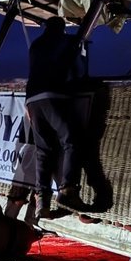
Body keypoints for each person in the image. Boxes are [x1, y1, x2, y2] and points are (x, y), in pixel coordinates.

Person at [25, 16, 91, 219]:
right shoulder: (69, 42)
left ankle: (42, 201)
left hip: (32, 100)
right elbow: (79, 70)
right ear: (62, 28)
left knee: (43, 151)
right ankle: (68, 190)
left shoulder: (36, 44)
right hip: (55, 95)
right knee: (71, 140)